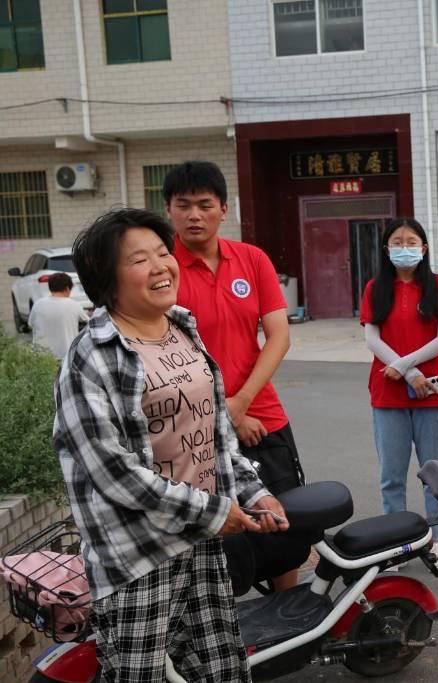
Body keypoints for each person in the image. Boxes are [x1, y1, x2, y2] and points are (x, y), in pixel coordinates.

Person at [55, 208, 287, 681]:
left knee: (220, 669)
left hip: (201, 543)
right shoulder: (91, 357)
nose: (162, 265)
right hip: (139, 557)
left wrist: (251, 491)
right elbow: (114, 474)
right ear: (106, 277)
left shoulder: (182, 328)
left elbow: (216, 432)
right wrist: (214, 511)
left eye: (163, 252)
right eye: (140, 259)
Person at [164, 161, 306, 590]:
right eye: (183, 205)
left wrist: (241, 402)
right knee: (217, 536)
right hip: (192, 426)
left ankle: (289, 620)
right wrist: (225, 415)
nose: (194, 215)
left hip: (264, 413)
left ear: (224, 209)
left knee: (281, 520)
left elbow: (279, 336)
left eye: (204, 205)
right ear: (168, 210)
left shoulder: (252, 259)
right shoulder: (161, 269)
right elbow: (166, 352)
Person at [361, 217, 438, 571]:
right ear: (386, 249)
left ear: (424, 247)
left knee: (434, 472)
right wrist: (407, 371)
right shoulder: (375, 288)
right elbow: (371, 338)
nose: (405, 248)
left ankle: (437, 540)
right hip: (388, 393)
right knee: (392, 475)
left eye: (411, 241)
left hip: (431, 394)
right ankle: (395, 544)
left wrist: (407, 367)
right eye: (397, 242)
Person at [27, 271, 88, 358]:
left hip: (40, 357)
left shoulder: (38, 304)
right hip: (65, 356)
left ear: (50, 288)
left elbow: (30, 324)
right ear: (67, 289)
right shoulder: (74, 305)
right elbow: (89, 323)